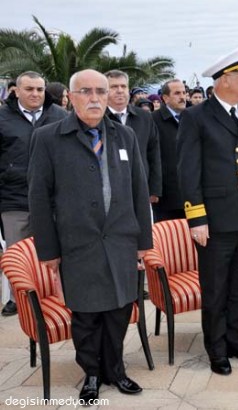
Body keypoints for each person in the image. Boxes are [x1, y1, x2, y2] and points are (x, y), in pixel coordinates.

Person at [28, 69, 152, 403]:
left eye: (101, 91)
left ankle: (116, 369)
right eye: (86, 91)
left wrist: (143, 242)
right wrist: (48, 251)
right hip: (77, 244)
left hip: (121, 242)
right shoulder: (48, 138)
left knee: (119, 310)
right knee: (86, 315)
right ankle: (92, 373)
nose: (95, 98)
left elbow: (139, 190)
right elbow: (38, 197)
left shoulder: (124, 135)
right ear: (71, 97)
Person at [177, 48, 238, 375]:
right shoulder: (197, 117)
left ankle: (237, 341)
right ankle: (217, 349)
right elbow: (188, 172)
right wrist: (197, 218)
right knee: (216, 289)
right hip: (216, 220)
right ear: (224, 80)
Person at [0, 71, 67, 317]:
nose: (35, 94)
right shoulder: (2, 118)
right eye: (29, 89)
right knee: (17, 252)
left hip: (54, 199)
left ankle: (58, 293)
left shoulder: (60, 116)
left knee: (58, 248)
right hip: (15, 199)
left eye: (39, 89)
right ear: (16, 90)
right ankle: (17, 299)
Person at [104, 70, 162, 205]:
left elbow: (154, 153)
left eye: (123, 86)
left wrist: (154, 189)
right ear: (104, 91)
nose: (120, 91)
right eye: (114, 87)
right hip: (109, 191)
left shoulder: (145, 117)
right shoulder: (98, 119)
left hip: (141, 189)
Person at [152, 79, 187, 221]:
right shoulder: (153, 120)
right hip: (167, 196)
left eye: (184, 93)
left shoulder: (192, 118)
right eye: (177, 93)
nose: (182, 97)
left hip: (192, 194)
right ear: (165, 98)